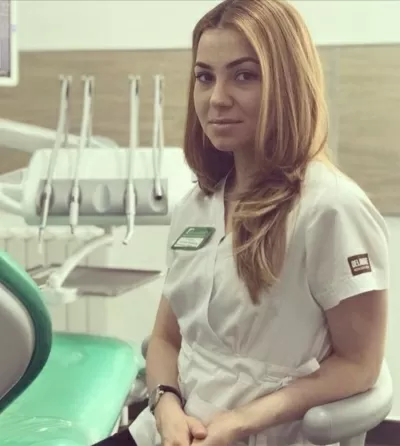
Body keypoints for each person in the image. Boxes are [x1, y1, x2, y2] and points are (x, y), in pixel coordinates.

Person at [93, 0, 389, 445]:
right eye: (205, 77)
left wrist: (242, 421)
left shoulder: (331, 210)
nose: (217, 98)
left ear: (286, 84)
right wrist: (167, 407)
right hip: (172, 430)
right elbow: (166, 339)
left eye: (244, 75)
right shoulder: (197, 206)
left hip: (267, 435)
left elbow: (359, 364)